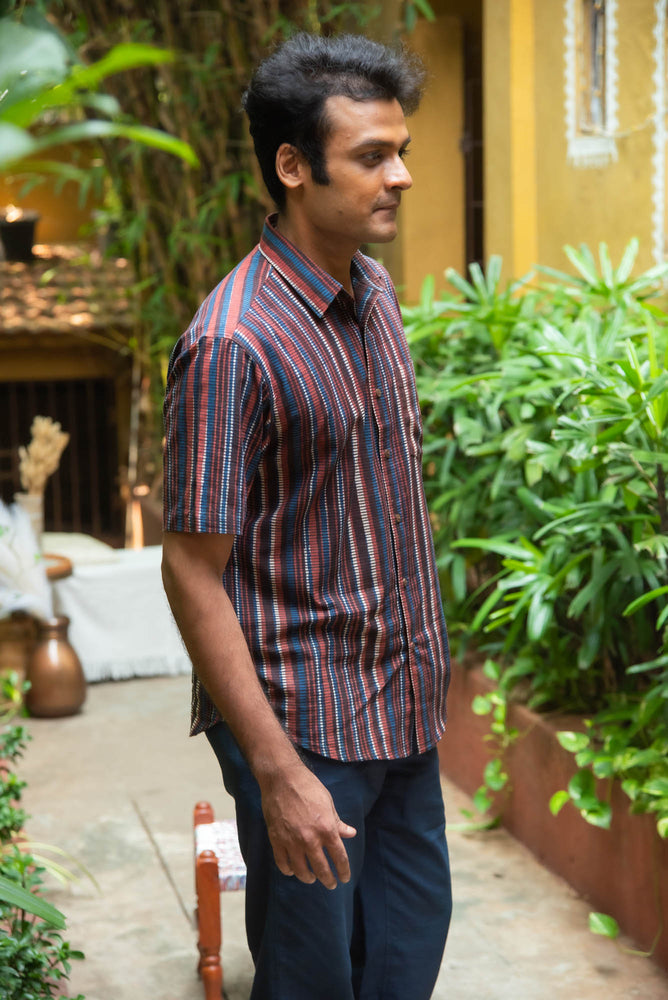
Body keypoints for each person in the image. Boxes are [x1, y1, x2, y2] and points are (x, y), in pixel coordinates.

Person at [162, 31, 452, 1000]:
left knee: (404, 966)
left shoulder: (372, 290)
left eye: (400, 151)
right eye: (371, 155)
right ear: (292, 166)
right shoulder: (233, 343)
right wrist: (277, 773)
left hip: (402, 710)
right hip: (307, 731)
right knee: (312, 981)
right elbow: (190, 569)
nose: (400, 176)